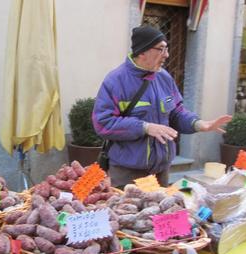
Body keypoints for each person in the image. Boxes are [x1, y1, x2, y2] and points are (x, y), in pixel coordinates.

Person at [92, 25, 232, 188]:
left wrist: (199, 124)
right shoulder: (116, 80)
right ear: (142, 51)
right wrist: (144, 127)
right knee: (129, 213)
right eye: (161, 49)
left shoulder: (164, 77)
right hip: (129, 173)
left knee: (161, 213)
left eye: (167, 48)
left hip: (161, 171)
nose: (167, 55)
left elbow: (176, 113)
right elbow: (102, 123)